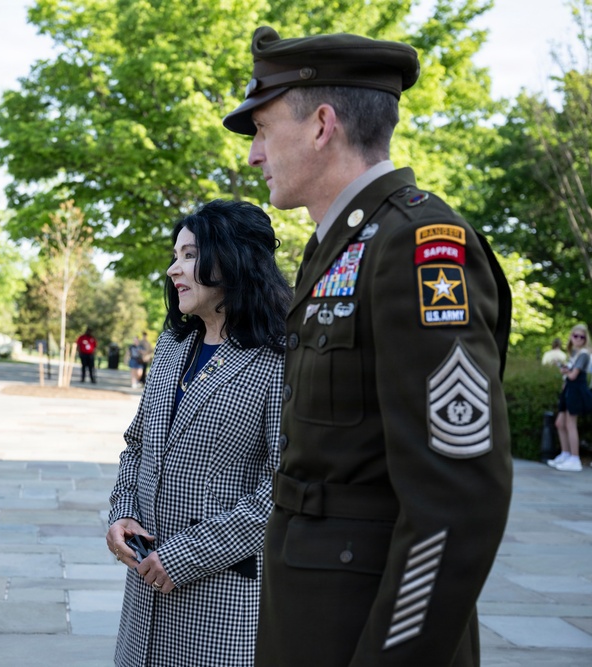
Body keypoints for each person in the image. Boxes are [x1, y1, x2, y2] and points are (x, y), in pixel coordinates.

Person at [223, 27, 513, 666]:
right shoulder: (338, 248)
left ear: (322, 125)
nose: (254, 155)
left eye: (264, 130)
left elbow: (456, 503)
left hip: (367, 636)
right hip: (311, 618)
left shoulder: (417, 247)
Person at [106, 199, 292, 667]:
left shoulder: (281, 359)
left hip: (221, 599)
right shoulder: (174, 344)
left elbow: (286, 485)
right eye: (175, 255)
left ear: (232, 259)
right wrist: (122, 512)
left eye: (189, 255)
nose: (174, 269)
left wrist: (186, 556)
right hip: (143, 594)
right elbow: (139, 444)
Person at [548, 324, 591, 472]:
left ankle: (574, 458)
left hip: (576, 391)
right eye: (575, 336)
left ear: (585, 339)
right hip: (569, 390)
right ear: (571, 337)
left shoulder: (584, 354)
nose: (578, 339)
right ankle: (566, 454)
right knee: (560, 423)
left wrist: (565, 371)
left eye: (581, 337)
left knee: (570, 424)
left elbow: (573, 375)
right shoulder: (574, 353)